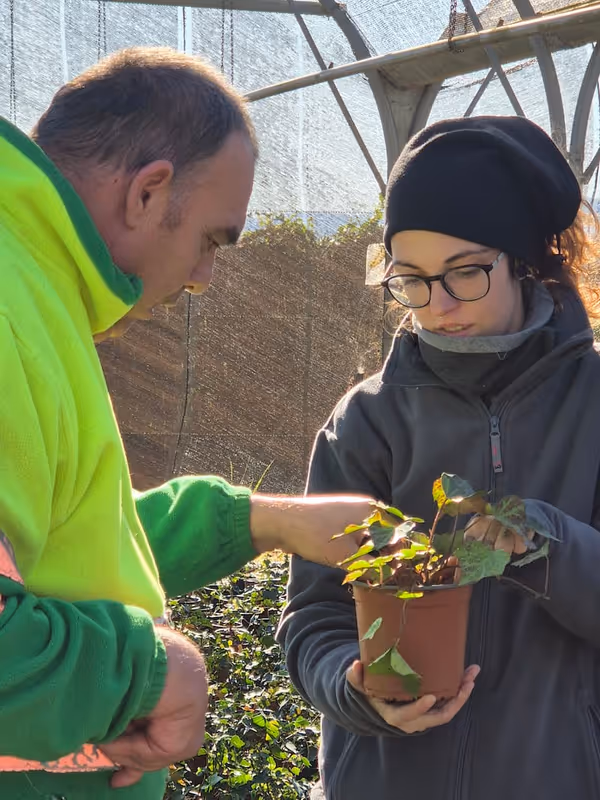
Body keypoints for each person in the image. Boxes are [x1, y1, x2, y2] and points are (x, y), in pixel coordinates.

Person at [0, 47, 375, 800]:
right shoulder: (12, 314)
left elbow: (66, 545)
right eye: (212, 239)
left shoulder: (37, 290)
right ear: (149, 191)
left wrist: (268, 521)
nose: (204, 277)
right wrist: (155, 670)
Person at [278, 115, 600, 800]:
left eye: (466, 273)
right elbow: (313, 616)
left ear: (524, 260)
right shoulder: (366, 420)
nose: (440, 304)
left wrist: (540, 541)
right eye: (413, 280)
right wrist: (354, 686)